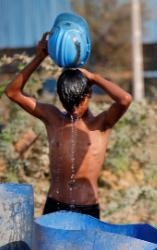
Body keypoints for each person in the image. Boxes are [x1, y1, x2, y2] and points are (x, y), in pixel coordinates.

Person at [5, 33, 132, 219]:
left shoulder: (102, 124)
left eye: (77, 103)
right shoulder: (52, 118)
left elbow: (125, 99)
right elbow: (12, 92)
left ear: (89, 94)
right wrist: (40, 57)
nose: (72, 109)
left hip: (88, 209)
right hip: (55, 206)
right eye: (67, 103)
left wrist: (94, 77)